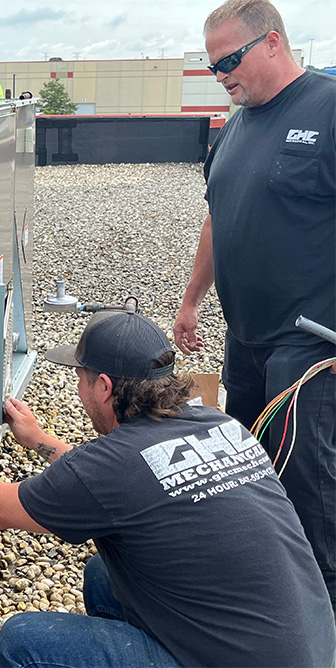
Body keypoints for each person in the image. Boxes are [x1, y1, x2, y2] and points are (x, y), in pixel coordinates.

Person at [0, 311, 336, 668]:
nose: (79, 390)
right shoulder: (220, 425)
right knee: (103, 575)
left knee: (23, 640)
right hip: (307, 649)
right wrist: (41, 441)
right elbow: (131, 475)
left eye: (81, 379)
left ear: (104, 386)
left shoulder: (112, 466)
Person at [173, 0, 336, 608]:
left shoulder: (327, 108)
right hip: (245, 336)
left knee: (310, 482)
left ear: (272, 43)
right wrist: (192, 301)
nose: (222, 76)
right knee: (244, 464)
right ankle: (262, 582)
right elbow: (220, 217)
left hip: (311, 343)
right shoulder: (237, 124)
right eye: (213, 65)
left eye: (231, 61)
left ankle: (319, 616)